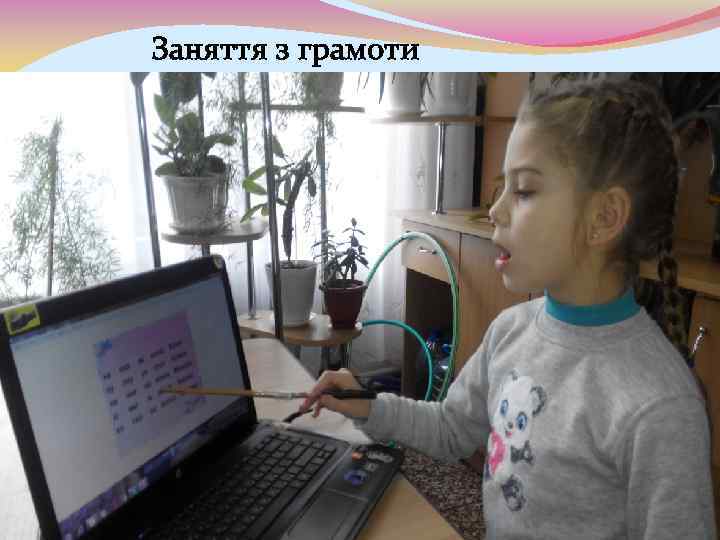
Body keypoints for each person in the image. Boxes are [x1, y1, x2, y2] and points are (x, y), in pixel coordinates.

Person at [300, 79, 716, 539]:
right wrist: (366, 403)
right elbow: (451, 428)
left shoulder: (660, 405)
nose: (495, 210)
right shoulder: (511, 330)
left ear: (604, 217)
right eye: (503, 188)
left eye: (524, 191)